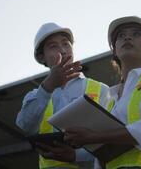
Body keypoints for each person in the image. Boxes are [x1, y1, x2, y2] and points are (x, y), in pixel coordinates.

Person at [64, 16, 141, 169]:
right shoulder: (110, 99)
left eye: (136, 34)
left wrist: (94, 137)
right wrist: (74, 154)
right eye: (121, 36)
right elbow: (104, 151)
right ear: (115, 50)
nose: (127, 37)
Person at [16, 22, 110, 169]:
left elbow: (112, 140)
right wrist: (48, 87)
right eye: (53, 46)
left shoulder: (102, 90)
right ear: (42, 57)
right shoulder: (34, 96)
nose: (63, 50)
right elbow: (25, 125)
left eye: (66, 44)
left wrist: (76, 155)